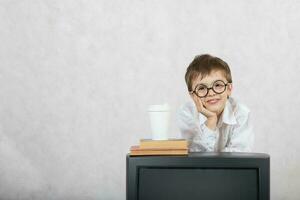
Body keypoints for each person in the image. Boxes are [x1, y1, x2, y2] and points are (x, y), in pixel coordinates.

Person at [177, 54, 254, 152]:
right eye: (201, 88)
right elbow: (193, 158)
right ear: (193, 95)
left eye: (217, 85)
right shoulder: (187, 113)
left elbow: (240, 157)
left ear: (229, 89)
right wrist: (211, 121)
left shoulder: (241, 113)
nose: (211, 93)